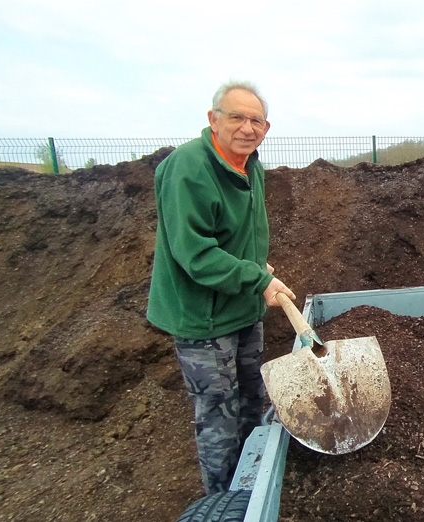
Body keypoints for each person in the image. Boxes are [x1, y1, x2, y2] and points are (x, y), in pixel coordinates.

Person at [146, 80, 296, 495]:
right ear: (213, 119)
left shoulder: (251, 166)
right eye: (236, 117)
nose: (247, 128)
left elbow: (240, 234)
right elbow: (195, 253)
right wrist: (259, 279)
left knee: (251, 398)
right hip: (202, 315)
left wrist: (256, 264)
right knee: (218, 412)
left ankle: (255, 479)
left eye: (256, 120)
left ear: (266, 128)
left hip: (242, 307)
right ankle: (225, 500)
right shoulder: (189, 167)